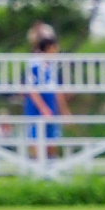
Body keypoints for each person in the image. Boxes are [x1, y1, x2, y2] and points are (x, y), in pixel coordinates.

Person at [24, 22, 69, 157]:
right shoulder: (34, 63)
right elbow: (31, 89)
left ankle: (50, 171)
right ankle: (36, 171)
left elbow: (57, 91)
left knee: (52, 141)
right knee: (36, 140)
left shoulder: (52, 66)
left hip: (50, 104)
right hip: (37, 107)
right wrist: (43, 108)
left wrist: (64, 111)